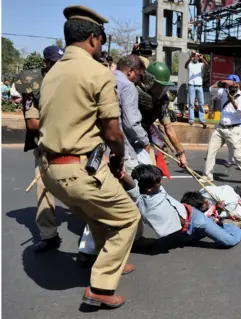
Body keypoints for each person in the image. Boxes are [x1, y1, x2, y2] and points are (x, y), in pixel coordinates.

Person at [37, 5, 141, 307]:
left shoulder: (52, 72)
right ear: (94, 39)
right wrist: (120, 159)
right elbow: (113, 132)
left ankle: (101, 256)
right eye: (102, 41)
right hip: (79, 170)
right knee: (127, 218)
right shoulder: (97, 72)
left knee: (97, 214)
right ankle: (101, 287)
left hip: (51, 172)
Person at [17, 45, 64, 253]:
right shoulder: (33, 85)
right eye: (54, 63)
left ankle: (92, 238)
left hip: (74, 143)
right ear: (46, 63)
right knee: (43, 189)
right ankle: (49, 234)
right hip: (45, 145)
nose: (57, 68)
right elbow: (32, 123)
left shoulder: (69, 79)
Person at [129, 165, 241, 248]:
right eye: (158, 182)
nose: (161, 183)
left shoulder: (155, 189)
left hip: (195, 219)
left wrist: (121, 173)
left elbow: (132, 183)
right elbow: (131, 187)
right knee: (193, 237)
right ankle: (215, 221)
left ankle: (228, 225)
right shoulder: (141, 201)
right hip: (182, 234)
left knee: (229, 241)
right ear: (149, 188)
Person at [201, 74, 241, 185]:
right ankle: (207, 176)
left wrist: (232, 100)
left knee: (237, 156)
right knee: (210, 151)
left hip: (233, 130)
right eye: (228, 84)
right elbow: (212, 90)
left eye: (232, 84)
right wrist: (221, 82)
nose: (230, 86)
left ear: (237, 84)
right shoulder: (224, 92)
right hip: (220, 128)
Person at [113, 55, 150, 174]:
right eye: (139, 75)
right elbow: (130, 123)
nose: (138, 79)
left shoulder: (105, 79)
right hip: (124, 150)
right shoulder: (128, 86)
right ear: (130, 71)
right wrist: (144, 141)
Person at [185, 51, 208, 128]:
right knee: (191, 103)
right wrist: (190, 57)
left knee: (201, 103)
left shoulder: (201, 64)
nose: (195, 57)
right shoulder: (190, 64)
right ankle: (191, 119)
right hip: (191, 85)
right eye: (194, 56)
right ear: (192, 57)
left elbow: (207, 65)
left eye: (197, 56)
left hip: (199, 86)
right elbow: (185, 65)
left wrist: (202, 58)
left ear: (198, 57)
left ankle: (202, 119)